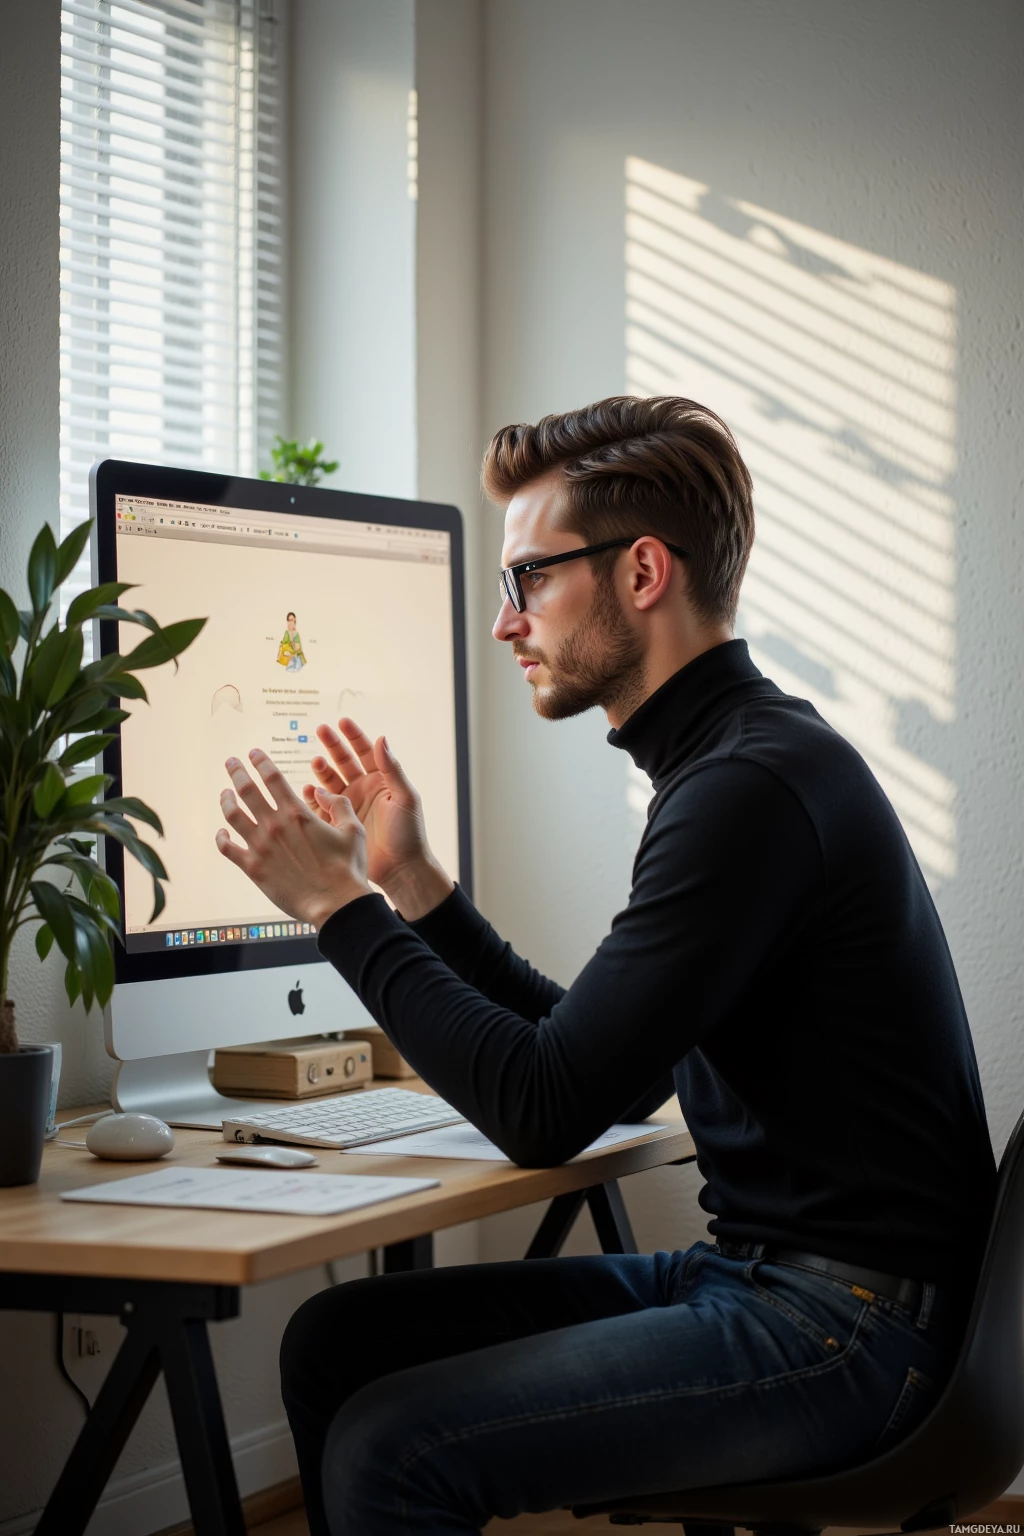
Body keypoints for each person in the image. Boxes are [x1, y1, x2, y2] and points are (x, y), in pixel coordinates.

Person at [215, 396, 996, 1536]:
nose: (503, 623)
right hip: (782, 1284)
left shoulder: (743, 792)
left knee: (395, 1446)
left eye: (527, 579)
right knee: (342, 1342)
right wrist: (413, 886)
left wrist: (334, 903)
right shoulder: (739, 761)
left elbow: (543, 1106)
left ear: (640, 573)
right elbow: (612, 1071)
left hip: (850, 1329)